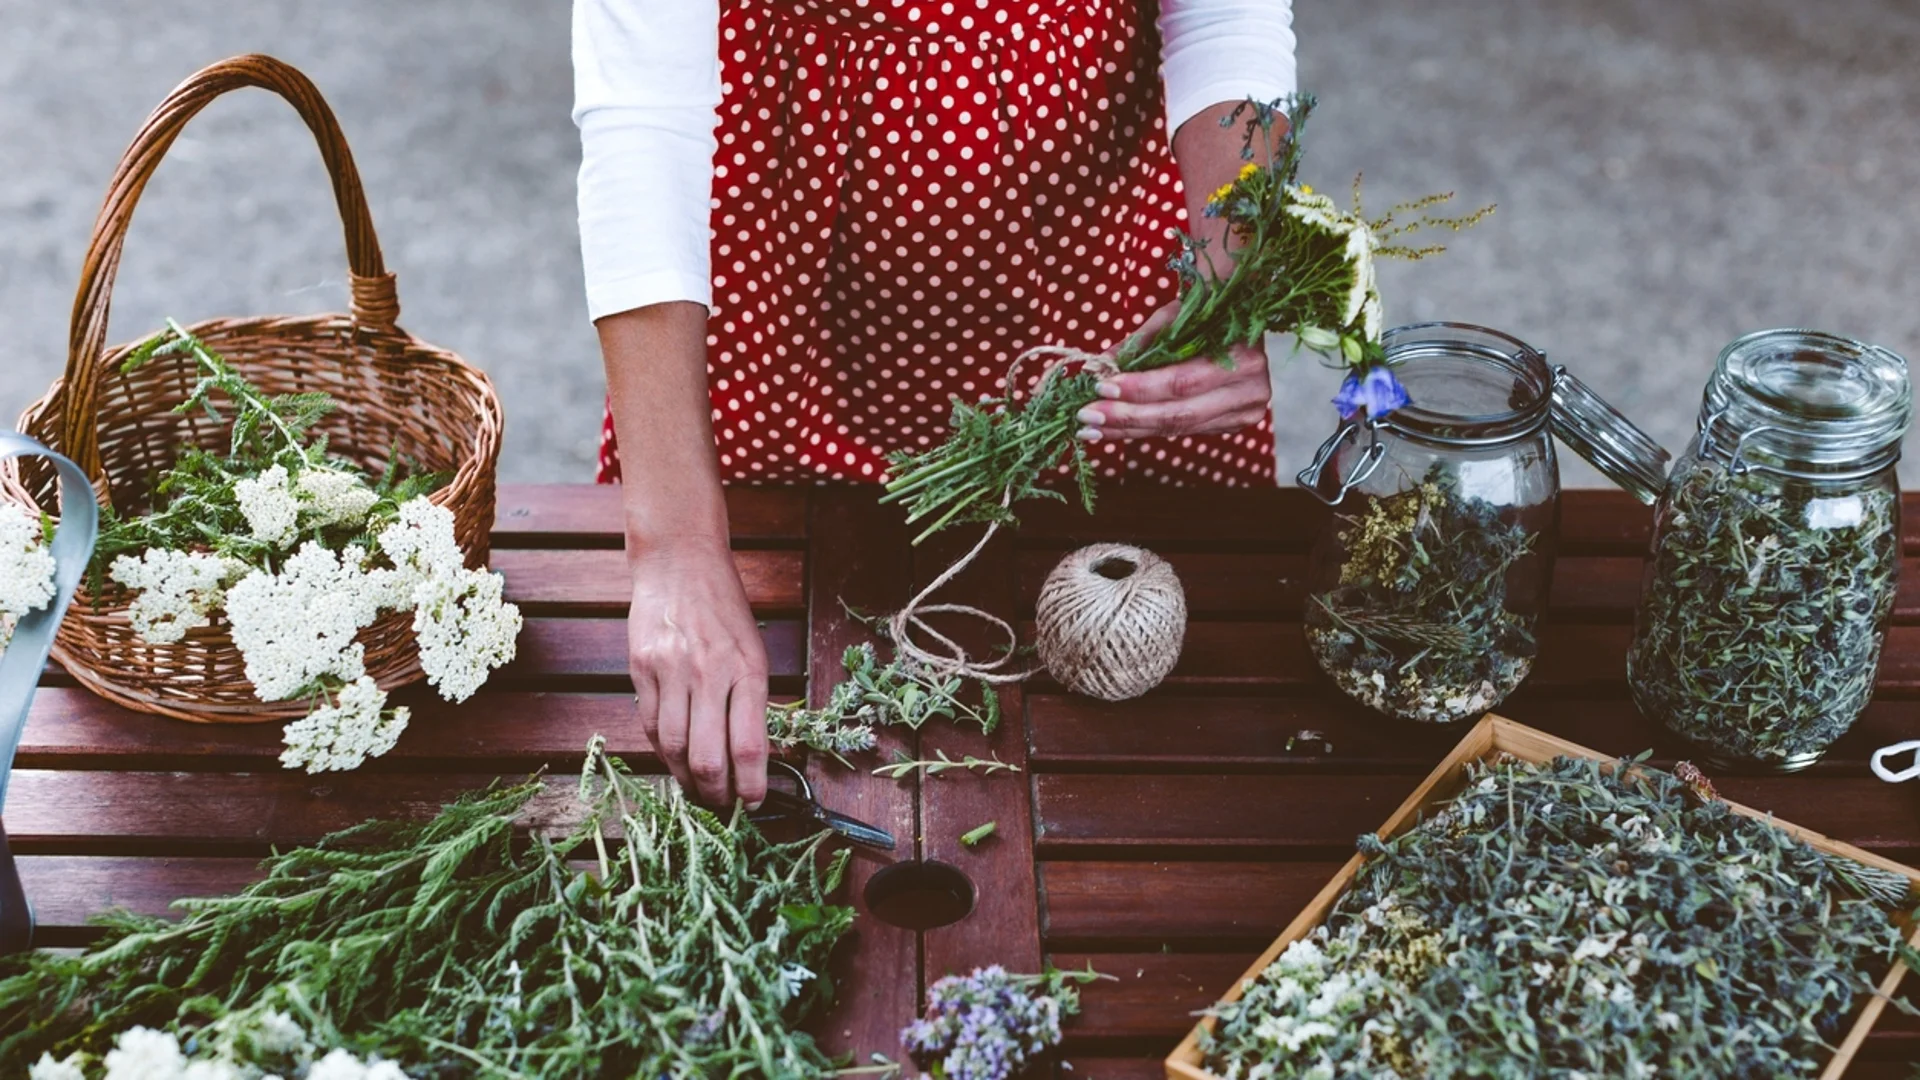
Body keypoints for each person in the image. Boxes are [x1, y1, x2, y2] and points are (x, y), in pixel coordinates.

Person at [573, 0, 1297, 809]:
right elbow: (640, 110)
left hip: (1101, 283)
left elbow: (1222, 12)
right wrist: (676, 543)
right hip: (789, 294)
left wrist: (1234, 262)